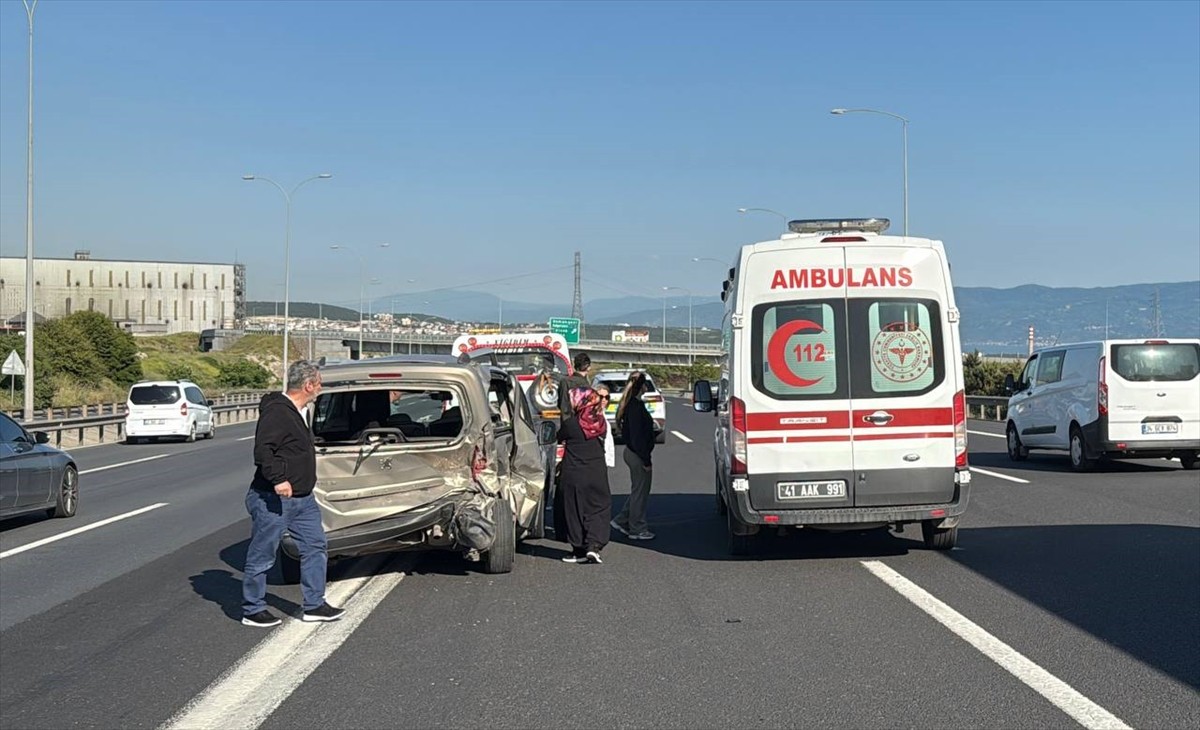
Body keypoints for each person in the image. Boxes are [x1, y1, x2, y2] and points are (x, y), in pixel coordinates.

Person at [241, 360, 344, 627]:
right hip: (274, 499)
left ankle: (314, 605)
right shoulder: (278, 412)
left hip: (303, 499)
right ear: (308, 385)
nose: (320, 388)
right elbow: (263, 451)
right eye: (318, 383)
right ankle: (253, 609)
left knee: (315, 546)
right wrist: (279, 479)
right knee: (263, 554)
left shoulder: (301, 411)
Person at [558, 387, 611, 564]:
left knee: (574, 510)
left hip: (574, 473)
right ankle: (594, 546)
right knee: (598, 508)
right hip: (597, 472)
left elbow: (559, 437)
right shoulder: (601, 423)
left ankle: (578, 549)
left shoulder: (571, 424)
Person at [612, 371, 656, 541]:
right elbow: (638, 438)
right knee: (640, 492)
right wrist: (646, 460)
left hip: (632, 452)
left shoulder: (630, 404)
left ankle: (622, 520)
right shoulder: (636, 407)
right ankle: (637, 528)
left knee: (638, 490)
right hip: (637, 454)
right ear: (642, 386)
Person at [595, 385, 616, 469]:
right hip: (596, 459)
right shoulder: (593, 416)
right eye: (601, 397)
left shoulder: (603, 414)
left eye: (606, 397)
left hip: (604, 458)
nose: (604, 400)